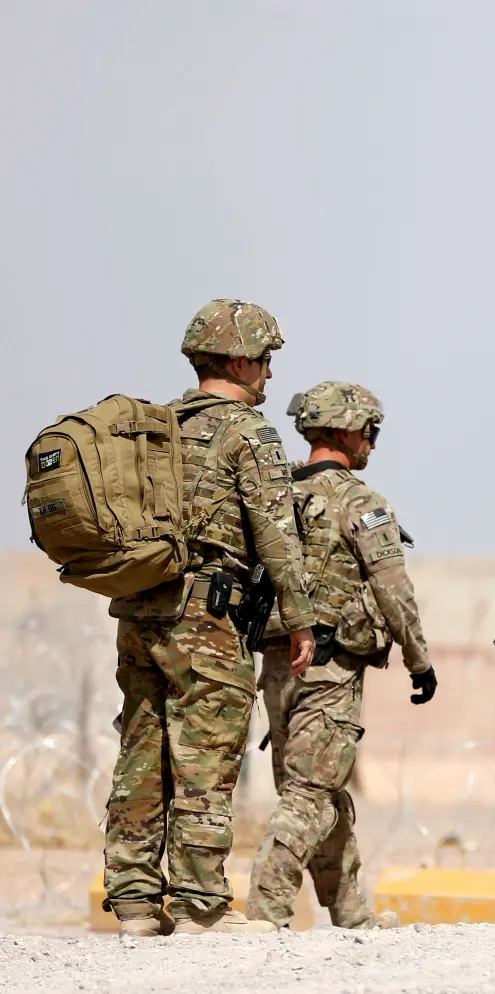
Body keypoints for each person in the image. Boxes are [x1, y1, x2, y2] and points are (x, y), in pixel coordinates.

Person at [105, 299, 316, 936]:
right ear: (238, 359)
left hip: (139, 610)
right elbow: (276, 533)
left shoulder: (156, 425)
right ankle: (200, 906)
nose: (270, 376)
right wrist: (299, 617)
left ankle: (136, 902)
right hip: (206, 615)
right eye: (266, 361)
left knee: (142, 751)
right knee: (206, 754)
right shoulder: (246, 432)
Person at [247, 382, 436, 930]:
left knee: (316, 790)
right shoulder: (360, 502)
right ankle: (266, 908)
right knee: (311, 793)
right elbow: (392, 588)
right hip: (330, 669)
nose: (372, 445)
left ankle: (350, 912)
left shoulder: (272, 498)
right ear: (345, 431)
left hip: (278, 664)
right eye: (369, 432)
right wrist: (418, 659)